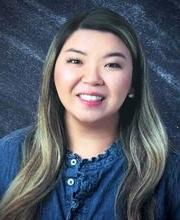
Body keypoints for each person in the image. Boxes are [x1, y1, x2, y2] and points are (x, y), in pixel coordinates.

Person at [0, 7, 179, 220]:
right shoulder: (7, 155)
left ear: (133, 83)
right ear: (52, 72)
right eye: (75, 61)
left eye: (112, 64)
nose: (92, 78)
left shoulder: (169, 173)